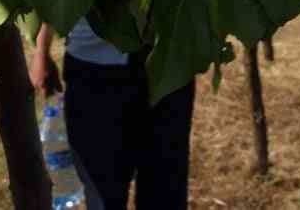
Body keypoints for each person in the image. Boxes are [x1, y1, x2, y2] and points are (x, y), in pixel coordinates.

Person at [29, 17, 196, 209]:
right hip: (95, 71)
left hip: (168, 62)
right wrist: (41, 51)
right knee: (103, 190)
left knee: (165, 188)